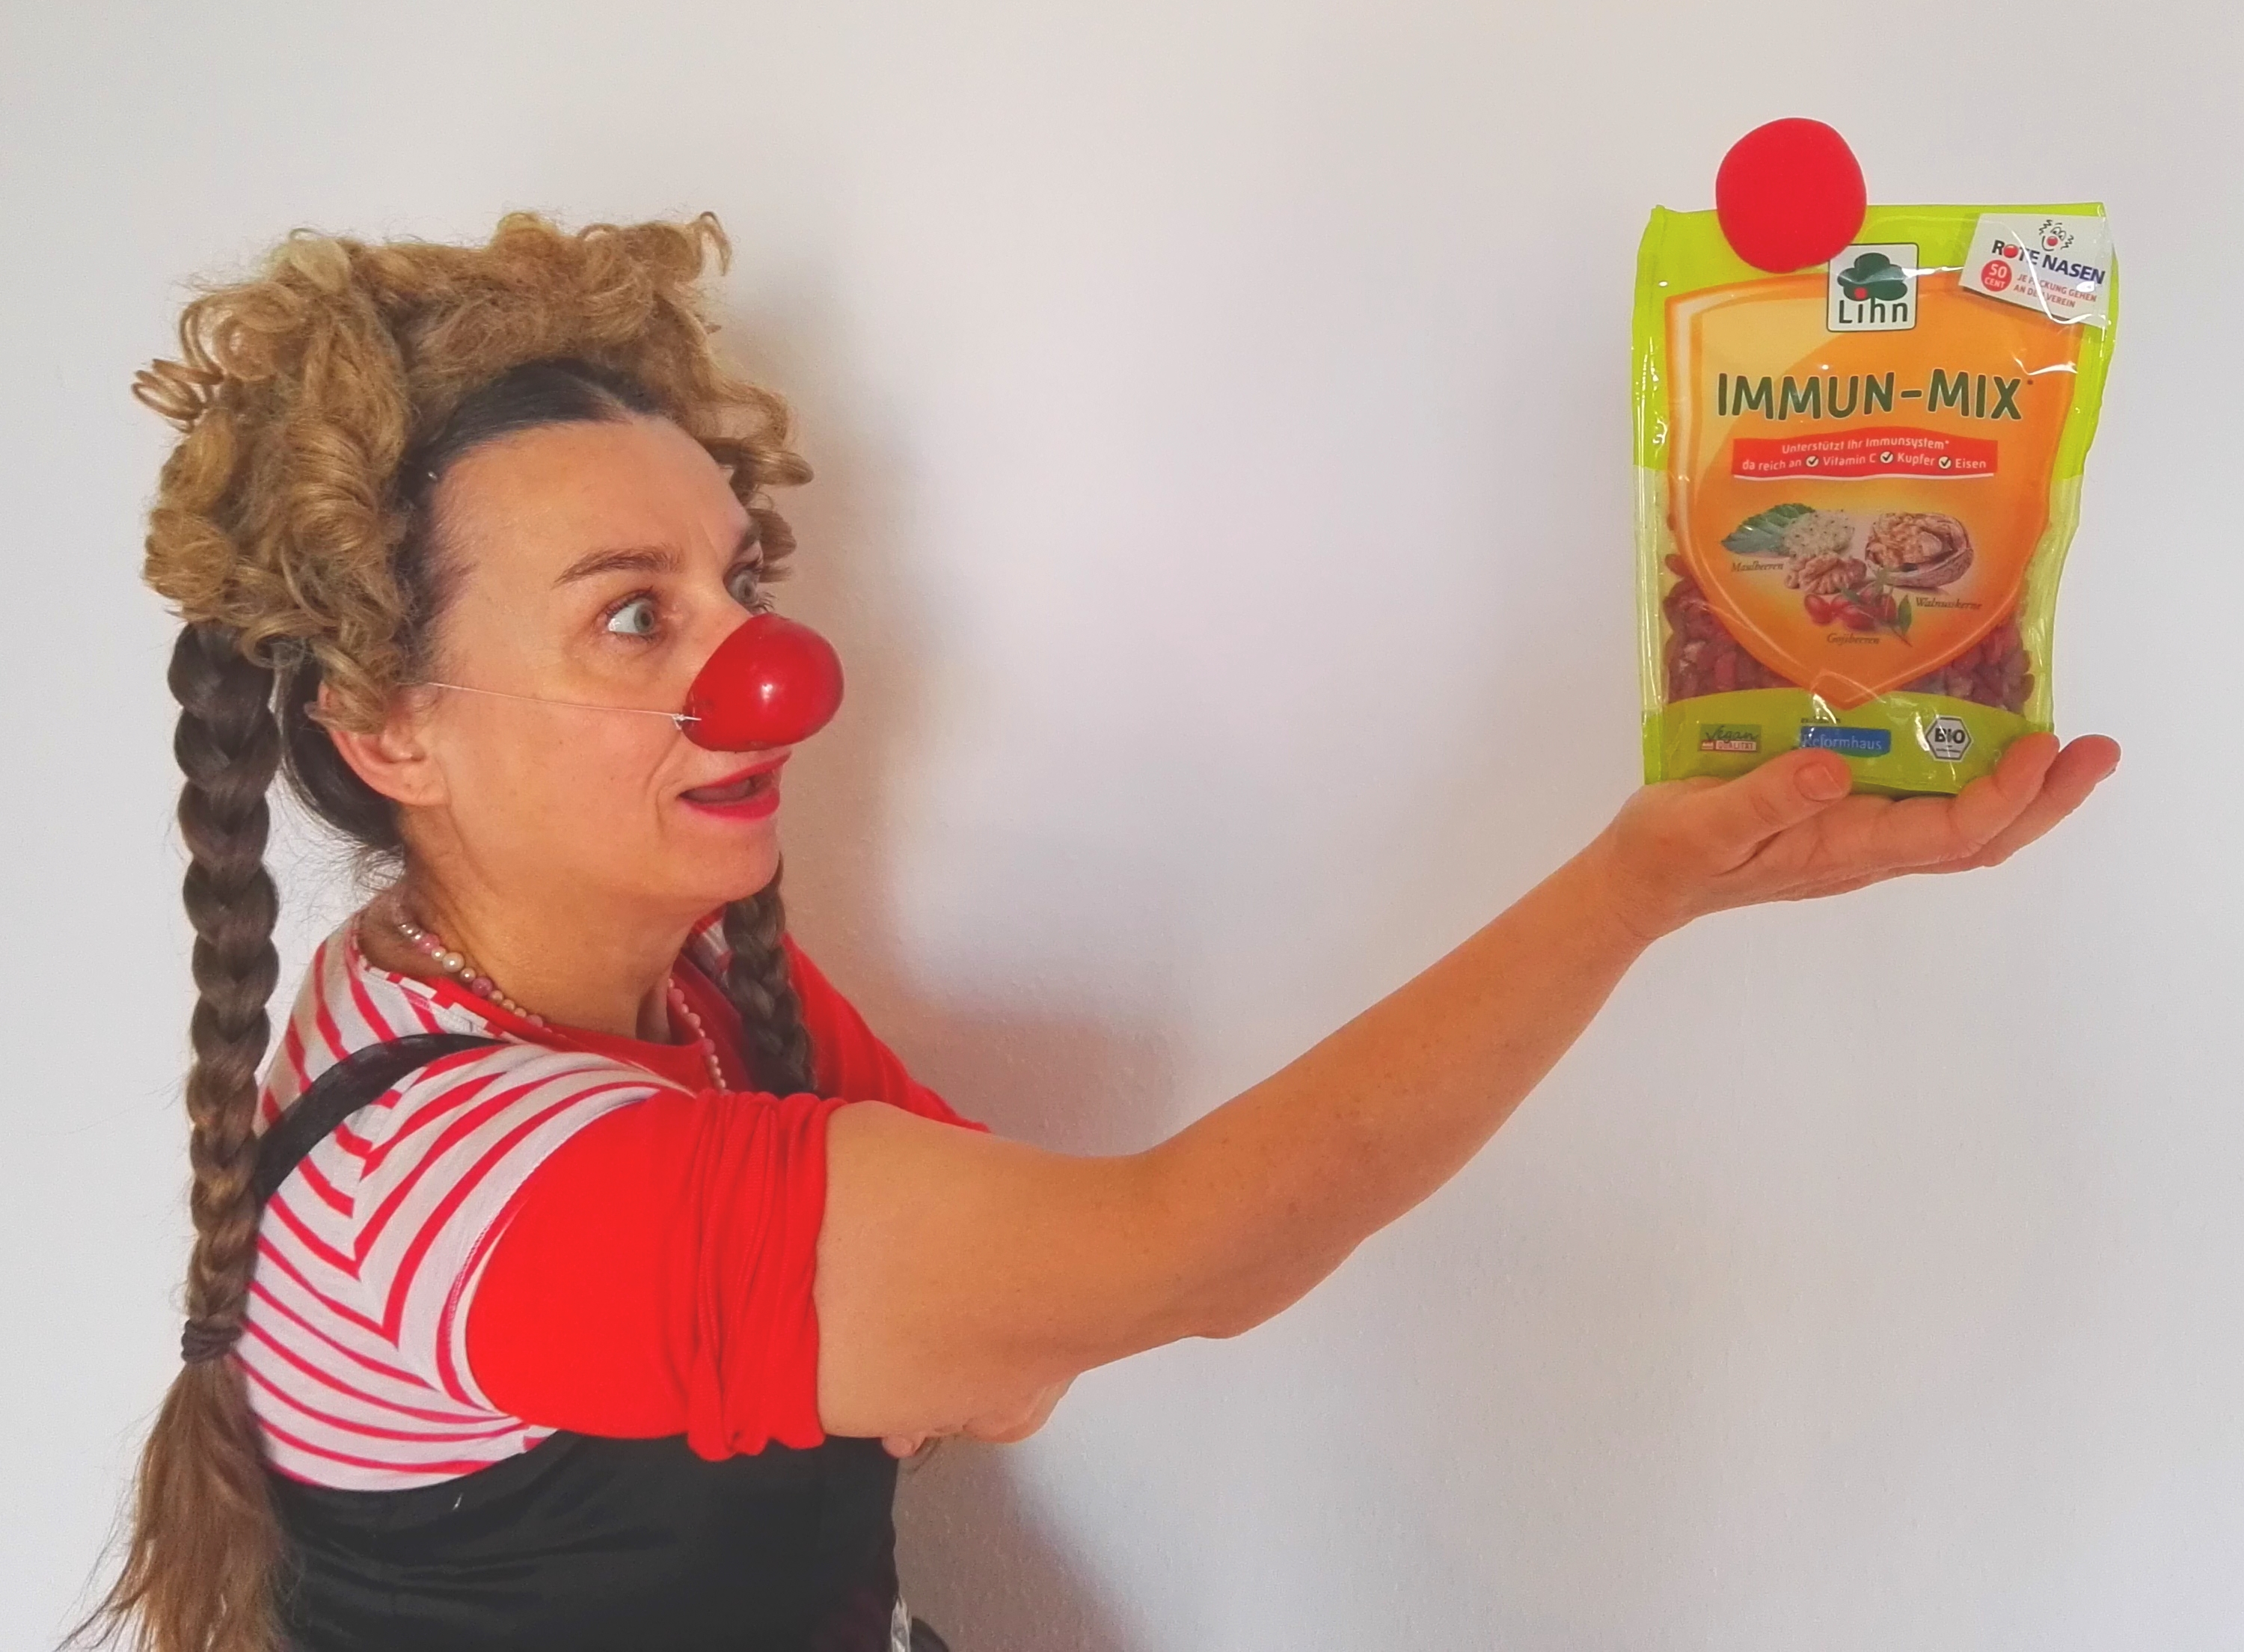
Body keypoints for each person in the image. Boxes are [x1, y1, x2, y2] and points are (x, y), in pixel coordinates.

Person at [81, 210, 2120, 1652]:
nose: (766, 669)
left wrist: (978, 1326)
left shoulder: (663, 984)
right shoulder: (482, 1180)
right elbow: (1171, 1259)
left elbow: (1022, 1354)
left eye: (736, 582)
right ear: (389, 726)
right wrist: (1644, 881)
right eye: (634, 615)